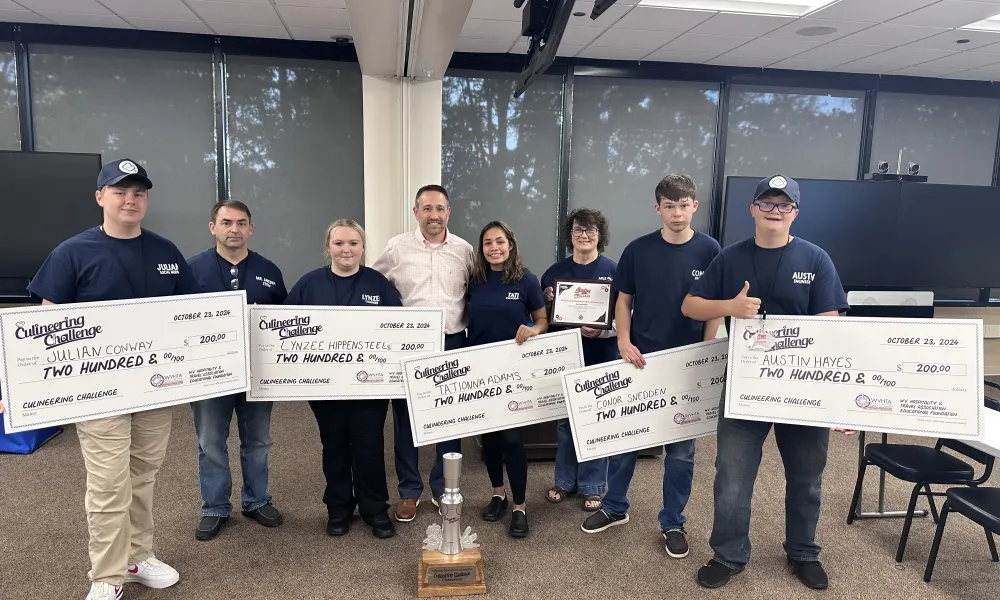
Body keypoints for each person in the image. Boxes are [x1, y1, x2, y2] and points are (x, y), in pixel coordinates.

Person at [23, 159, 199, 600]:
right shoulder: (72, 252)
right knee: (107, 483)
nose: (130, 200)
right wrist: (23, 387)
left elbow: (190, 319)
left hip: (156, 389)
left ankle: (138, 557)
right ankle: (107, 574)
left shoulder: (166, 253)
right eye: (120, 192)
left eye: (138, 193)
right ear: (101, 197)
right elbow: (46, 330)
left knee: (143, 475)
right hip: (98, 394)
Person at [681, 174, 850, 591]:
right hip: (744, 389)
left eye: (784, 205)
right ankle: (728, 554)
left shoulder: (815, 259)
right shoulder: (730, 257)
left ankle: (803, 552)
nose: (775, 211)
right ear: (753, 209)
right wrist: (730, 307)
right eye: (767, 203)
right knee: (732, 477)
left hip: (801, 392)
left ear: (795, 212)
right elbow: (690, 305)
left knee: (807, 478)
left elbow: (831, 321)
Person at [581, 174, 722, 566]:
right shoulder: (638, 250)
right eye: (669, 205)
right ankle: (614, 506)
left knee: (680, 453)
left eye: (684, 205)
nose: (677, 213)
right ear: (658, 208)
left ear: (695, 206)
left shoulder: (710, 250)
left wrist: (708, 348)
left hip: (686, 365)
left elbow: (713, 304)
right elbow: (623, 301)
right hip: (639, 359)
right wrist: (623, 341)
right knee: (625, 440)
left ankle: (673, 522)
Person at [285, 219, 401, 539]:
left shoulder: (378, 284)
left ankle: (374, 508)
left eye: (353, 243)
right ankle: (338, 508)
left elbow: (399, 328)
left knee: (368, 446)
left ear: (363, 248)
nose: (346, 250)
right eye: (339, 243)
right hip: (325, 386)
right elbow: (284, 329)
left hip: (370, 385)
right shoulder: (308, 285)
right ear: (328, 247)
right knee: (334, 445)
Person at [372, 184, 475, 522]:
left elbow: (477, 295)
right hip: (409, 347)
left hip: (452, 342)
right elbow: (373, 284)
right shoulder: (396, 248)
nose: (434, 215)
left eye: (440, 208)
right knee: (406, 420)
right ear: (416, 212)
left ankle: (445, 487)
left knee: (449, 419)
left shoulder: (464, 250)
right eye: (427, 208)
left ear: (449, 212)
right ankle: (409, 490)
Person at [186, 200, 288, 541]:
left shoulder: (270, 271)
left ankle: (256, 500)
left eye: (241, 223)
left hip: (257, 375)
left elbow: (282, 324)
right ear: (212, 227)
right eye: (227, 222)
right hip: (209, 376)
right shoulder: (192, 270)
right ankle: (215, 506)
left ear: (251, 229)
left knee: (257, 440)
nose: (234, 229)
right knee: (210, 441)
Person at [467, 220, 547, 538]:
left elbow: (542, 319)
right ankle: (498, 493)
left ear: (510, 245)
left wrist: (534, 328)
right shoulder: (474, 280)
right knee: (490, 440)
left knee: (512, 439)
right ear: (482, 248)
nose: (494, 248)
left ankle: (520, 506)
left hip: (515, 372)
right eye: (487, 243)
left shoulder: (526, 280)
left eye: (499, 241)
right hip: (481, 370)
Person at [540, 208, 616, 512]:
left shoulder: (615, 271)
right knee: (565, 421)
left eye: (590, 230)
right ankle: (565, 480)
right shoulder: (554, 273)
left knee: (596, 420)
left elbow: (627, 319)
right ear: (570, 236)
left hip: (602, 355)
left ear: (600, 235)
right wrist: (546, 301)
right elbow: (542, 319)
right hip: (567, 358)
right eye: (577, 231)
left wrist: (603, 333)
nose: (584, 236)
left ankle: (593, 485)